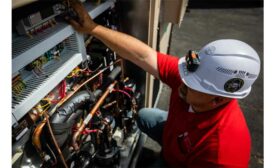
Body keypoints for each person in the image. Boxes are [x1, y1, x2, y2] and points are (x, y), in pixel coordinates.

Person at [67, 1, 261, 167]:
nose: (182, 81)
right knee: (144, 115)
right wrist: (92, 28)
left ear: (216, 99)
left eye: (193, 83)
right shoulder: (194, 78)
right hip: (176, 136)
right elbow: (143, 55)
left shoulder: (223, 152)